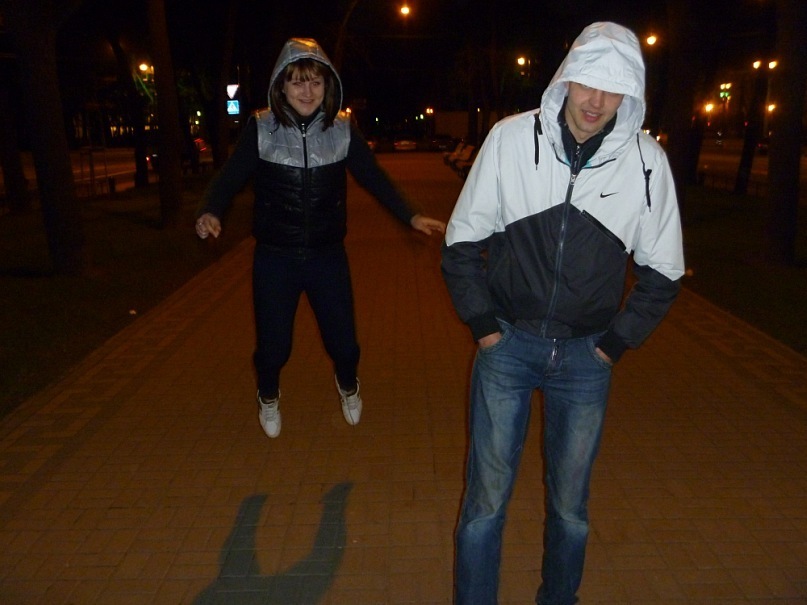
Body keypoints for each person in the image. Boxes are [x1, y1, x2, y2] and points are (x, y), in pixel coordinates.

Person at [441, 22, 685, 605]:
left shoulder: (647, 163)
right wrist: (484, 327)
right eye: (587, 83)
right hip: (508, 347)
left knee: (571, 508)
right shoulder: (509, 139)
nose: (596, 101)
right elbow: (461, 242)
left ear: (630, 94)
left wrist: (613, 345)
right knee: (485, 504)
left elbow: (665, 271)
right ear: (566, 79)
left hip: (585, 358)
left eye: (613, 88)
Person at [196, 38, 445, 439]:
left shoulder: (341, 129)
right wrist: (210, 210)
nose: (307, 91)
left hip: (326, 256)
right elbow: (229, 179)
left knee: (344, 343)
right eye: (297, 82)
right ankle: (268, 393)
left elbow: (373, 177)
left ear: (327, 86)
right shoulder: (262, 128)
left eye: (315, 82)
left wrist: (410, 215)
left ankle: (348, 384)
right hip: (275, 257)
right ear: (281, 86)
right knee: (274, 347)